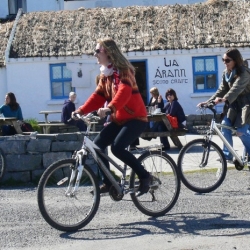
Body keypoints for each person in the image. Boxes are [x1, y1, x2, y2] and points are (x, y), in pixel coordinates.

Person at [72, 38, 151, 196]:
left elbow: (124, 92)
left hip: (136, 118)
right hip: (119, 119)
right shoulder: (105, 75)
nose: (95, 54)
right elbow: (97, 97)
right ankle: (109, 183)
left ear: (108, 52)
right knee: (97, 147)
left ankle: (144, 176)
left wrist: (109, 108)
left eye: (97, 51)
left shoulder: (124, 70)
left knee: (117, 147)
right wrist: (81, 110)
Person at [197, 48, 250, 161]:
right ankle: (227, 155)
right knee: (225, 126)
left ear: (235, 60)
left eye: (227, 60)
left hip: (247, 104)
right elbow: (221, 90)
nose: (224, 63)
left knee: (241, 131)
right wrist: (208, 102)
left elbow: (236, 89)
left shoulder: (244, 72)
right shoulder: (226, 73)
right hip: (234, 104)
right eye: (223, 60)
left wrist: (224, 99)